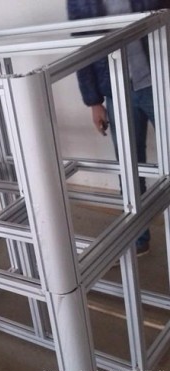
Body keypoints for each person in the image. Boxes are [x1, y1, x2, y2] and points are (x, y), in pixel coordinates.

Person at [67, 0, 167, 256]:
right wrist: (94, 102)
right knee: (129, 166)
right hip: (116, 89)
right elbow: (83, 46)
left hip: (159, 81)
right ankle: (138, 239)